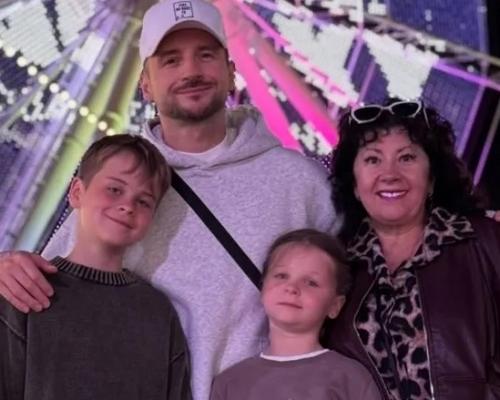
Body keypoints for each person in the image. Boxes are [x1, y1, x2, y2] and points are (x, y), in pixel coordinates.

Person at [0, 1, 336, 399]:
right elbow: (50, 293)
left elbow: (352, 297)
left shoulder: (302, 183)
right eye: (171, 60)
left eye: (205, 55)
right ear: (145, 84)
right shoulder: (124, 184)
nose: (190, 71)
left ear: (231, 72)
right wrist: (9, 269)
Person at [327, 98, 500, 400]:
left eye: (406, 157)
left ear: (431, 178)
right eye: (373, 160)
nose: (390, 174)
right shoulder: (335, 266)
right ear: (354, 184)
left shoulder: (485, 243)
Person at [0, 134, 191, 400]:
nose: (128, 206)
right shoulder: (25, 290)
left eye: (144, 201)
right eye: (115, 189)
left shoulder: (158, 313)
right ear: (77, 192)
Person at [210, 229, 381, 400]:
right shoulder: (229, 383)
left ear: (335, 306)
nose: (291, 288)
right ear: (263, 288)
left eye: (311, 283)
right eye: (281, 276)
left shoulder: (351, 378)